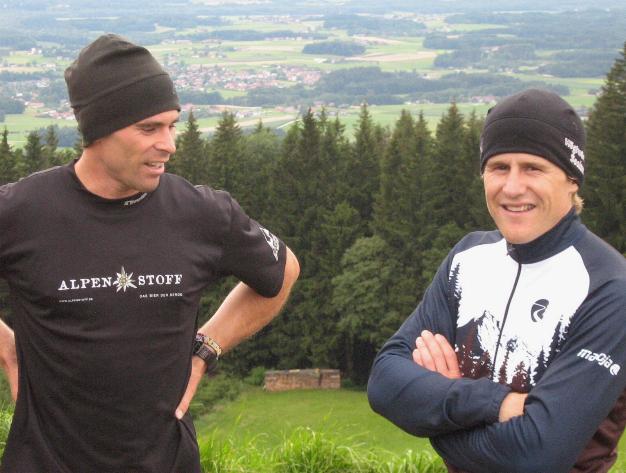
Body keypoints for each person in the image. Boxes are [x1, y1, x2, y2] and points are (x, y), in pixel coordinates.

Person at [0, 34, 299, 472]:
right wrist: (8, 350)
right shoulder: (22, 212)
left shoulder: (200, 213)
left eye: (172, 125)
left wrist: (207, 348)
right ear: (99, 130)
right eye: (149, 128)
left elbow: (284, 270)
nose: (169, 144)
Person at [367, 89, 626, 473]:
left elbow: (535, 456)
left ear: (572, 179)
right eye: (499, 167)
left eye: (533, 168)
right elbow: (384, 382)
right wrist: (496, 403)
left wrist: (436, 419)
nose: (513, 187)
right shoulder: (468, 258)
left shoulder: (609, 288)